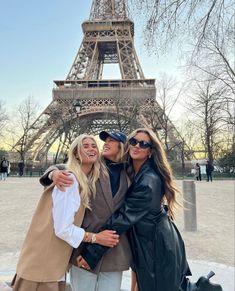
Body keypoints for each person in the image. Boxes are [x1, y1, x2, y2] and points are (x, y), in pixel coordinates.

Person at [78, 128, 192, 291]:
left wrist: (92, 253)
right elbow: (74, 166)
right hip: (146, 242)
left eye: (143, 143)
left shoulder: (148, 180)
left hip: (156, 246)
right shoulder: (130, 170)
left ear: (151, 152)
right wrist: (54, 174)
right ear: (128, 145)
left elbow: (123, 218)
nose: (137, 145)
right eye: (133, 141)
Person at [11, 134, 119, 291]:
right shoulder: (69, 180)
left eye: (94, 146)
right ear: (75, 153)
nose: (91, 148)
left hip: (51, 261)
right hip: (45, 262)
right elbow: (63, 229)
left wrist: (52, 172)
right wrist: (96, 238)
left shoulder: (84, 178)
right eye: (85, 146)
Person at [39, 131, 132, 291]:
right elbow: (66, 167)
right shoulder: (94, 163)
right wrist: (53, 173)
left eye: (111, 140)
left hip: (113, 248)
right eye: (105, 141)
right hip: (84, 247)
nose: (105, 144)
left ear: (122, 146)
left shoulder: (130, 172)